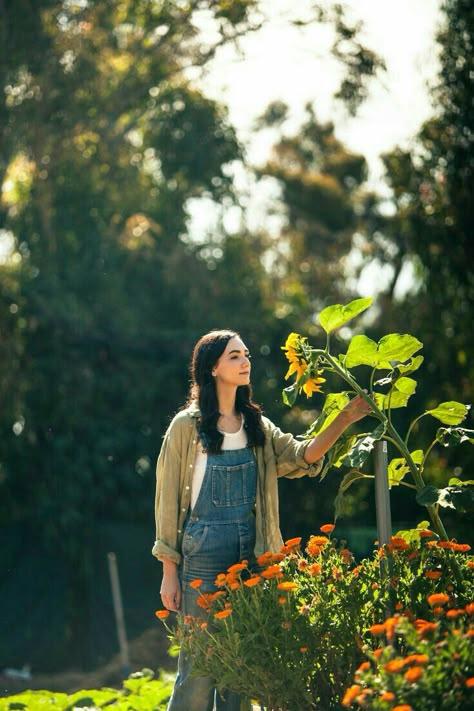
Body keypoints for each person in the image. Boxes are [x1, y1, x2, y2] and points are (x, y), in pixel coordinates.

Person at [152, 329, 372, 711]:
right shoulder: (185, 427)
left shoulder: (257, 427)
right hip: (201, 554)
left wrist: (346, 417)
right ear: (214, 368)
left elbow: (303, 455)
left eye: (246, 354)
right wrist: (169, 570)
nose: (245, 361)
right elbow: (167, 501)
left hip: (251, 554)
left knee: (241, 668)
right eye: (234, 356)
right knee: (200, 668)